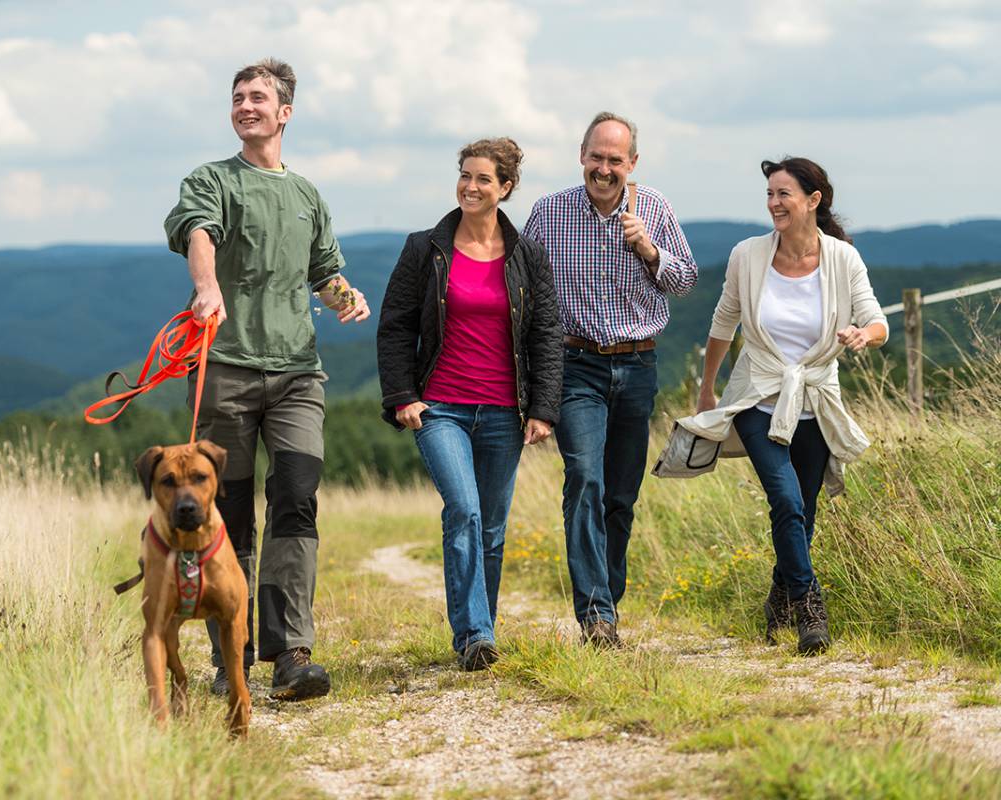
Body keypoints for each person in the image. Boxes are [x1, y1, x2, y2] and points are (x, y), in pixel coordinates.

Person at [163, 58, 370, 701]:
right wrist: (206, 287)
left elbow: (322, 273)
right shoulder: (212, 180)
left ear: (285, 113)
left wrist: (344, 296)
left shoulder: (308, 195)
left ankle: (291, 653)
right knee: (227, 514)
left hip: (297, 373)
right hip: (225, 366)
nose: (246, 105)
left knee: (297, 500)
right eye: (238, 97)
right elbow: (197, 231)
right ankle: (233, 654)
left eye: (259, 98)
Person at [680, 157, 887, 655]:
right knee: (787, 501)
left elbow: (877, 321)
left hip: (815, 399)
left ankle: (778, 602)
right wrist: (709, 389)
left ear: (813, 201)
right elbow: (723, 322)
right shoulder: (748, 256)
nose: (773, 203)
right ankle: (811, 610)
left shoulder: (842, 259)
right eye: (769, 194)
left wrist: (863, 334)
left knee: (805, 513)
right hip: (758, 397)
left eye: (783, 194)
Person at [377, 138, 562, 670]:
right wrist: (402, 397)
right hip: (441, 408)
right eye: (465, 175)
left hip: (506, 410)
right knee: (464, 510)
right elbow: (395, 328)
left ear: (506, 188)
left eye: (484, 179)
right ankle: (475, 635)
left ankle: (483, 630)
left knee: (492, 527)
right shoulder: (424, 248)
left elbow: (546, 334)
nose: (471, 187)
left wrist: (544, 408)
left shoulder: (528, 255)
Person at [524, 112, 698, 648]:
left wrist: (648, 248)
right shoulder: (549, 214)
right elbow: (522, 292)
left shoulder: (656, 209)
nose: (604, 168)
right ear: (581, 155)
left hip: (638, 365)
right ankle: (596, 614)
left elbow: (687, 281)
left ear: (632, 164)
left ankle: (607, 600)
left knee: (621, 496)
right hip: (575, 366)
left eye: (615, 160)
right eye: (596, 157)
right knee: (585, 479)